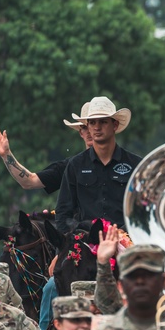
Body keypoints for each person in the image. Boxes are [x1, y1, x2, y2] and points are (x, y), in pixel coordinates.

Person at [55, 96, 142, 233]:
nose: (97, 127)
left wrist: (123, 235)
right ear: (87, 127)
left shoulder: (136, 165)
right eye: (92, 122)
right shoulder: (75, 165)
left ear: (115, 125)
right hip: (85, 245)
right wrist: (76, 240)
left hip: (128, 243)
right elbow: (63, 213)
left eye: (103, 122)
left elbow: (143, 210)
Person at [0, 103, 93, 193]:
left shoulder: (110, 163)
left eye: (94, 125)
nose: (91, 131)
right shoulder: (72, 166)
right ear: (80, 133)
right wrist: (6, 154)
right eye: (84, 127)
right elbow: (29, 181)